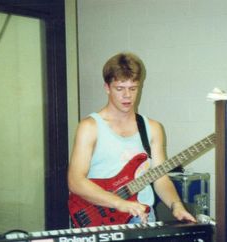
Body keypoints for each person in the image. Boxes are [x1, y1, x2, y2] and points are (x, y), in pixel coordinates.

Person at [67, 52, 195, 225]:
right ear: (107, 87)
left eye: (133, 88)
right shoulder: (90, 127)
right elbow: (75, 182)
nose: (127, 95)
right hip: (99, 217)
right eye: (120, 88)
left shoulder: (152, 129)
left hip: (141, 217)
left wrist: (176, 205)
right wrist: (120, 203)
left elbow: (160, 178)